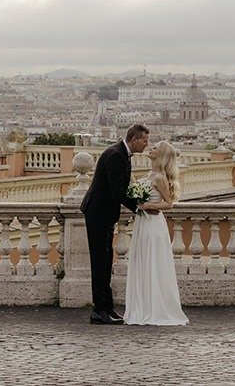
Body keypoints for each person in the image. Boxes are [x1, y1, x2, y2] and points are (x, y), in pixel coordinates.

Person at [79, 123, 150, 325]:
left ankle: (107, 307)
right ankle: (98, 310)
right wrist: (139, 207)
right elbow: (117, 192)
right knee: (100, 261)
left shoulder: (121, 154)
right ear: (134, 139)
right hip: (98, 214)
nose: (146, 145)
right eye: (144, 141)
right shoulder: (116, 155)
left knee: (106, 260)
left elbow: (122, 187)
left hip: (104, 214)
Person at [123, 140, 189, 326]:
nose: (150, 149)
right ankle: (143, 307)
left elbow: (168, 204)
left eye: (154, 149)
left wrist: (147, 205)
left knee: (152, 262)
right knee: (143, 261)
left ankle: (153, 308)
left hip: (153, 223)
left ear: (161, 156)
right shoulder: (150, 174)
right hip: (143, 223)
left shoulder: (159, 177)